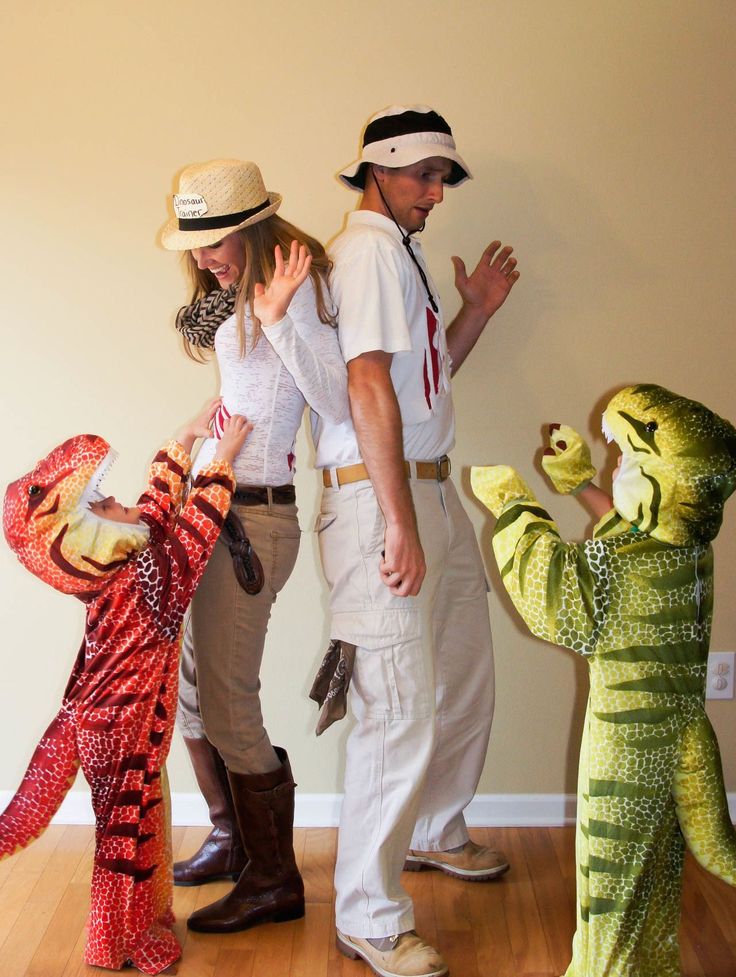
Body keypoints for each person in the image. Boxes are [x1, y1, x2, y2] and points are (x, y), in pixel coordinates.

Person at [314, 105, 520, 977]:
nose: (435, 194)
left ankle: (433, 829)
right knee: (396, 710)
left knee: (464, 676)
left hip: (428, 487)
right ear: (377, 170)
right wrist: (398, 521)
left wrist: (474, 314)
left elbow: (418, 387)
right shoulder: (364, 251)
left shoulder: (404, 254)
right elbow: (364, 383)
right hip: (382, 500)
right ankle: (368, 911)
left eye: (442, 179)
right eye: (421, 176)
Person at [471, 385, 736, 977]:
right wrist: (579, 482)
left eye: (625, 459)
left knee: (609, 887)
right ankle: (651, 966)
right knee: (658, 868)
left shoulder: (622, 565)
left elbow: (554, 598)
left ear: (659, 479)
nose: (616, 464)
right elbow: (631, 534)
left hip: (628, 749)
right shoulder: (692, 544)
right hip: (683, 734)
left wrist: (513, 505)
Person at [159, 158, 349, 932]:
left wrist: (278, 316)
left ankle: (275, 878)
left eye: (215, 240)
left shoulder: (295, 287)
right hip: (217, 504)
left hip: (252, 519)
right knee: (195, 696)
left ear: (251, 225)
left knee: (232, 708)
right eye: (194, 243)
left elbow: (334, 398)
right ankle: (235, 841)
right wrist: (211, 423)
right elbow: (236, 372)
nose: (203, 256)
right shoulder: (234, 295)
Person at [1, 403, 247, 974]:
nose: (121, 504)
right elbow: (189, 538)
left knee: (143, 829)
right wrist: (220, 464)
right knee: (124, 842)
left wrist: (183, 442)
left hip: (110, 724)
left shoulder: (127, 563)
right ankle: (115, 944)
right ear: (93, 535)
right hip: (115, 731)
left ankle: (145, 922)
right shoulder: (144, 573)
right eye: (108, 506)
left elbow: (156, 519)